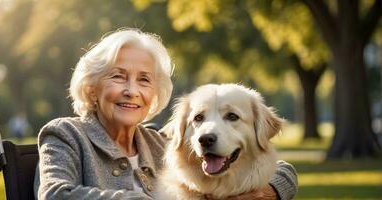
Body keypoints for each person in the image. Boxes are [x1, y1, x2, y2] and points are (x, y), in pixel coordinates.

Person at [34, 28, 297, 200]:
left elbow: (280, 168)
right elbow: (55, 194)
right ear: (92, 90)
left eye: (144, 80)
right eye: (118, 76)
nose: (132, 90)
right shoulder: (65, 134)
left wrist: (271, 191)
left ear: (154, 96)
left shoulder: (159, 143)